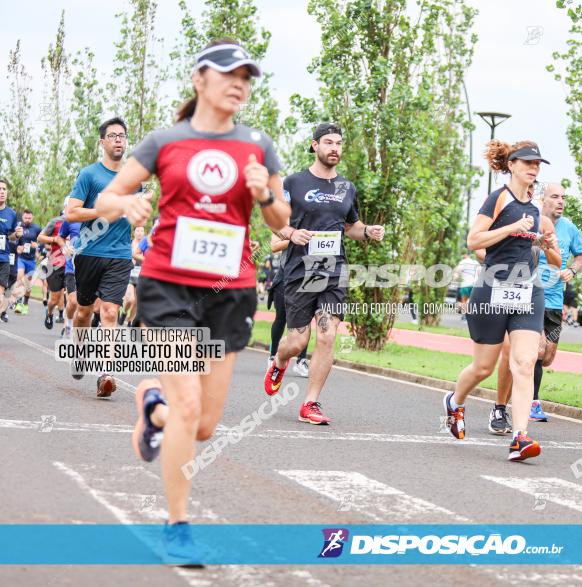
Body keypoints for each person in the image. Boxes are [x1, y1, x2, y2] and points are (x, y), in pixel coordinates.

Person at [94, 39, 290, 563]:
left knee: (202, 424)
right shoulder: (166, 141)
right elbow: (108, 195)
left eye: (246, 77)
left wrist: (265, 194)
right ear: (200, 78)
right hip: (168, 284)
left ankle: (150, 408)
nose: (239, 84)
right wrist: (126, 201)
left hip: (230, 289)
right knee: (187, 405)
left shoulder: (257, 146)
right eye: (229, 73)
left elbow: (280, 222)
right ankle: (177, 526)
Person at [446, 139, 560, 461]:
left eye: (537, 164)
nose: (533, 169)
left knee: (524, 363)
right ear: (511, 165)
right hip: (492, 289)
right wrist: (512, 227)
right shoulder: (498, 200)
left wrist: (547, 242)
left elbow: (555, 261)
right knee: (483, 366)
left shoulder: (539, 210)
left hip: (528, 292)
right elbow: (474, 240)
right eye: (527, 163)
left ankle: (520, 438)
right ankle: (455, 403)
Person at [265, 123, 385, 424]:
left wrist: (368, 231)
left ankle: (310, 403)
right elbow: (273, 221)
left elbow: (350, 227)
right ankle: (280, 360)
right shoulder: (293, 182)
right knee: (297, 342)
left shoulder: (347, 187)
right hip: (299, 270)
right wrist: (291, 234)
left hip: (332, 269)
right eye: (328, 142)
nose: (335, 148)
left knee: (328, 334)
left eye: (339, 143)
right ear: (314, 145)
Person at [492, 182, 582, 430]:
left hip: (554, 300)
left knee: (546, 356)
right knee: (527, 353)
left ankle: (521, 396)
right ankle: (512, 405)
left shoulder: (569, 229)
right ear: (542, 200)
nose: (561, 201)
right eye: (555, 196)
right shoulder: (526, 221)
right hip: (525, 294)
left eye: (563, 197)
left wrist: (571, 271)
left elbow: (579, 255)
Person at [65, 116, 138, 397]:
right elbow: (72, 212)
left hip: (120, 255)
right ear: (102, 142)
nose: (119, 139)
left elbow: (135, 215)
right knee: (83, 312)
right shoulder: (89, 175)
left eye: (122, 135)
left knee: (110, 312)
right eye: (113, 135)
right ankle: (79, 351)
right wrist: (103, 210)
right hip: (89, 253)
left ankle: (105, 374)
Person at [267, 230, 309, 377]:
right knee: (281, 317)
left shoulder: (318, 222)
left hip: (308, 276)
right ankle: (272, 357)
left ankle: (301, 361)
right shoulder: (286, 223)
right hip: (286, 276)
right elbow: (274, 246)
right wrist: (295, 238)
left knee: (305, 320)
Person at [37, 211, 68, 330]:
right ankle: (49, 313)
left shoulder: (82, 222)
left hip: (72, 265)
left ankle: (67, 327)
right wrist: (55, 239)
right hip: (55, 264)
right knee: (55, 298)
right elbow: (40, 237)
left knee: (71, 298)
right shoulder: (56, 222)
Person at [0, 178, 22, 323]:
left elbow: (12, 237)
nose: (1, 192)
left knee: (1, 292)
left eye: (4, 189)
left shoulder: (11, 214)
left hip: (3, 258)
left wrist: (17, 234)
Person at [11, 210, 42, 315]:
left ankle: (25, 303)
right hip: (21, 258)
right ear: (22, 218)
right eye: (25, 218)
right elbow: (13, 241)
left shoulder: (37, 228)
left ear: (32, 218)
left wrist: (37, 246)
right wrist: (18, 247)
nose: (27, 220)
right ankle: (19, 303)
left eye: (29, 218)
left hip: (31, 260)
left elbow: (42, 242)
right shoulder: (19, 228)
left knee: (28, 285)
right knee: (20, 277)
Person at [121, 225, 146, 326]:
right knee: (130, 299)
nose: (140, 232)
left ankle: (130, 320)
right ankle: (124, 312)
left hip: (141, 275)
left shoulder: (146, 244)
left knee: (136, 301)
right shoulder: (129, 243)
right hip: (129, 274)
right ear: (134, 233)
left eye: (142, 231)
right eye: (138, 230)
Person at [453, 252, 480, 319]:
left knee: (464, 301)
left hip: (465, 284)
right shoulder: (476, 262)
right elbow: (480, 272)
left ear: (465, 255)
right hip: (474, 284)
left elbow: (457, 271)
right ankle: (471, 316)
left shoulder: (463, 262)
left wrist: (455, 278)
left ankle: (464, 316)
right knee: (471, 300)